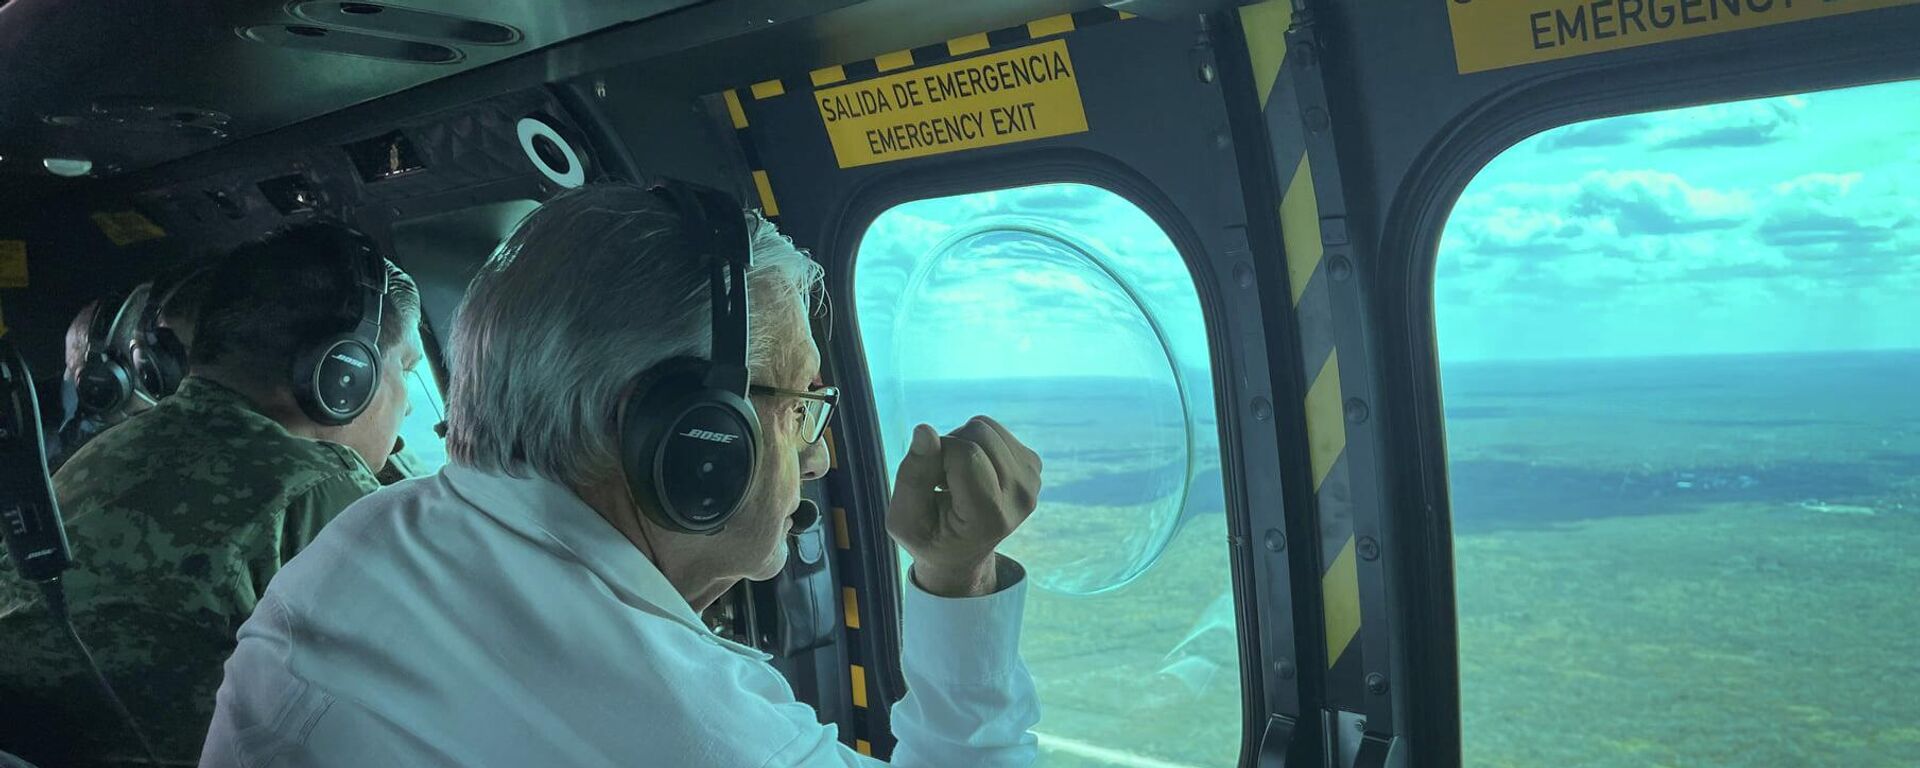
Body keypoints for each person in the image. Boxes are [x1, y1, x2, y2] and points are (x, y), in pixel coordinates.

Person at [201, 182, 1045, 767]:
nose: (819, 457)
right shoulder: (682, 734)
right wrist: (959, 577)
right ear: (691, 438)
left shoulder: (377, 535)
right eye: (797, 409)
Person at [0, 222, 425, 766]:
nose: (410, 404)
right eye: (407, 368)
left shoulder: (112, 446)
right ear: (345, 373)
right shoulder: (318, 487)